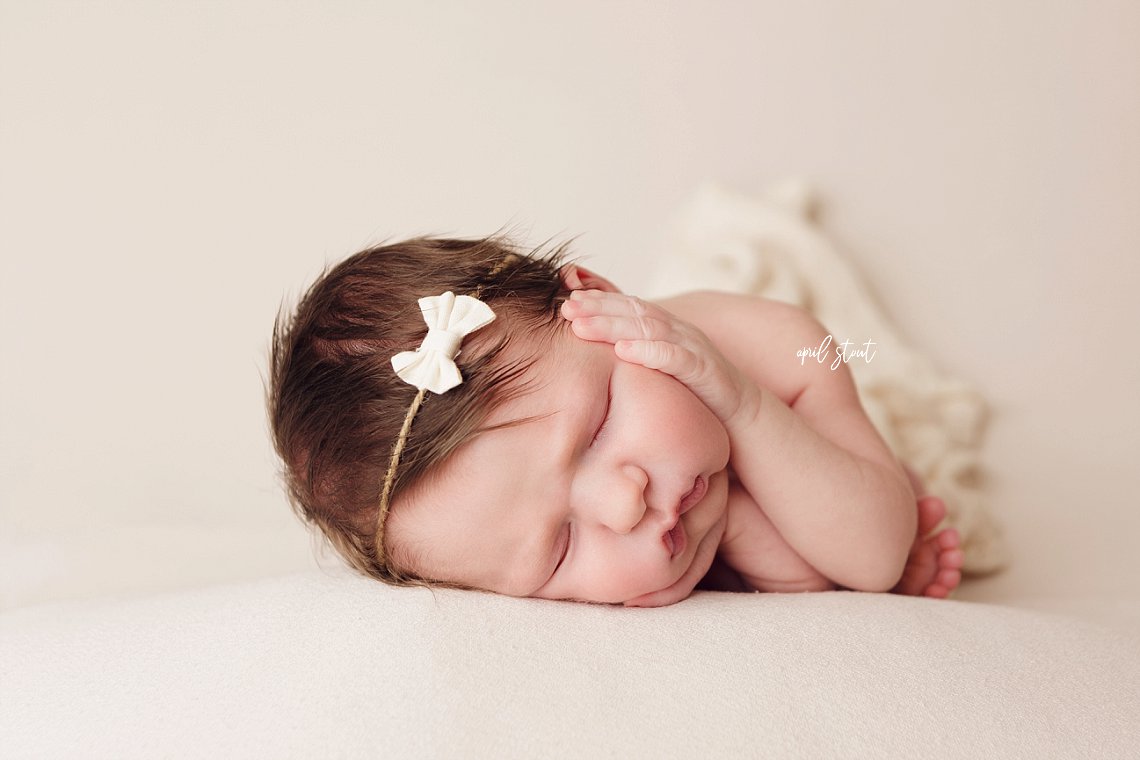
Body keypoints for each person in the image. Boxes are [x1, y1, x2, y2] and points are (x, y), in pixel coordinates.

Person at [268, 235, 963, 607]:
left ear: (604, 306)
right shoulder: (641, 525)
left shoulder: (779, 345)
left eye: (598, 429)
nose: (623, 505)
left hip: (785, 381)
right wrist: (746, 522)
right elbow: (817, 577)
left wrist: (744, 407)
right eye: (559, 551)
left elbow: (871, 560)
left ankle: (872, 466)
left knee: (879, 504)